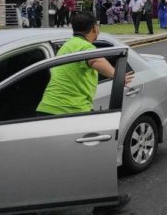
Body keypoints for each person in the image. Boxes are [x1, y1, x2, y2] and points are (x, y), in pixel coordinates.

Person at [35, 11, 133, 212]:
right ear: (95, 28)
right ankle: (105, 203)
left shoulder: (66, 46)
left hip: (46, 110)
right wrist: (118, 75)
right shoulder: (85, 47)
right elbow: (96, 62)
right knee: (93, 157)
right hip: (70, 112)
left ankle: (43, 203)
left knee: (51, 164)